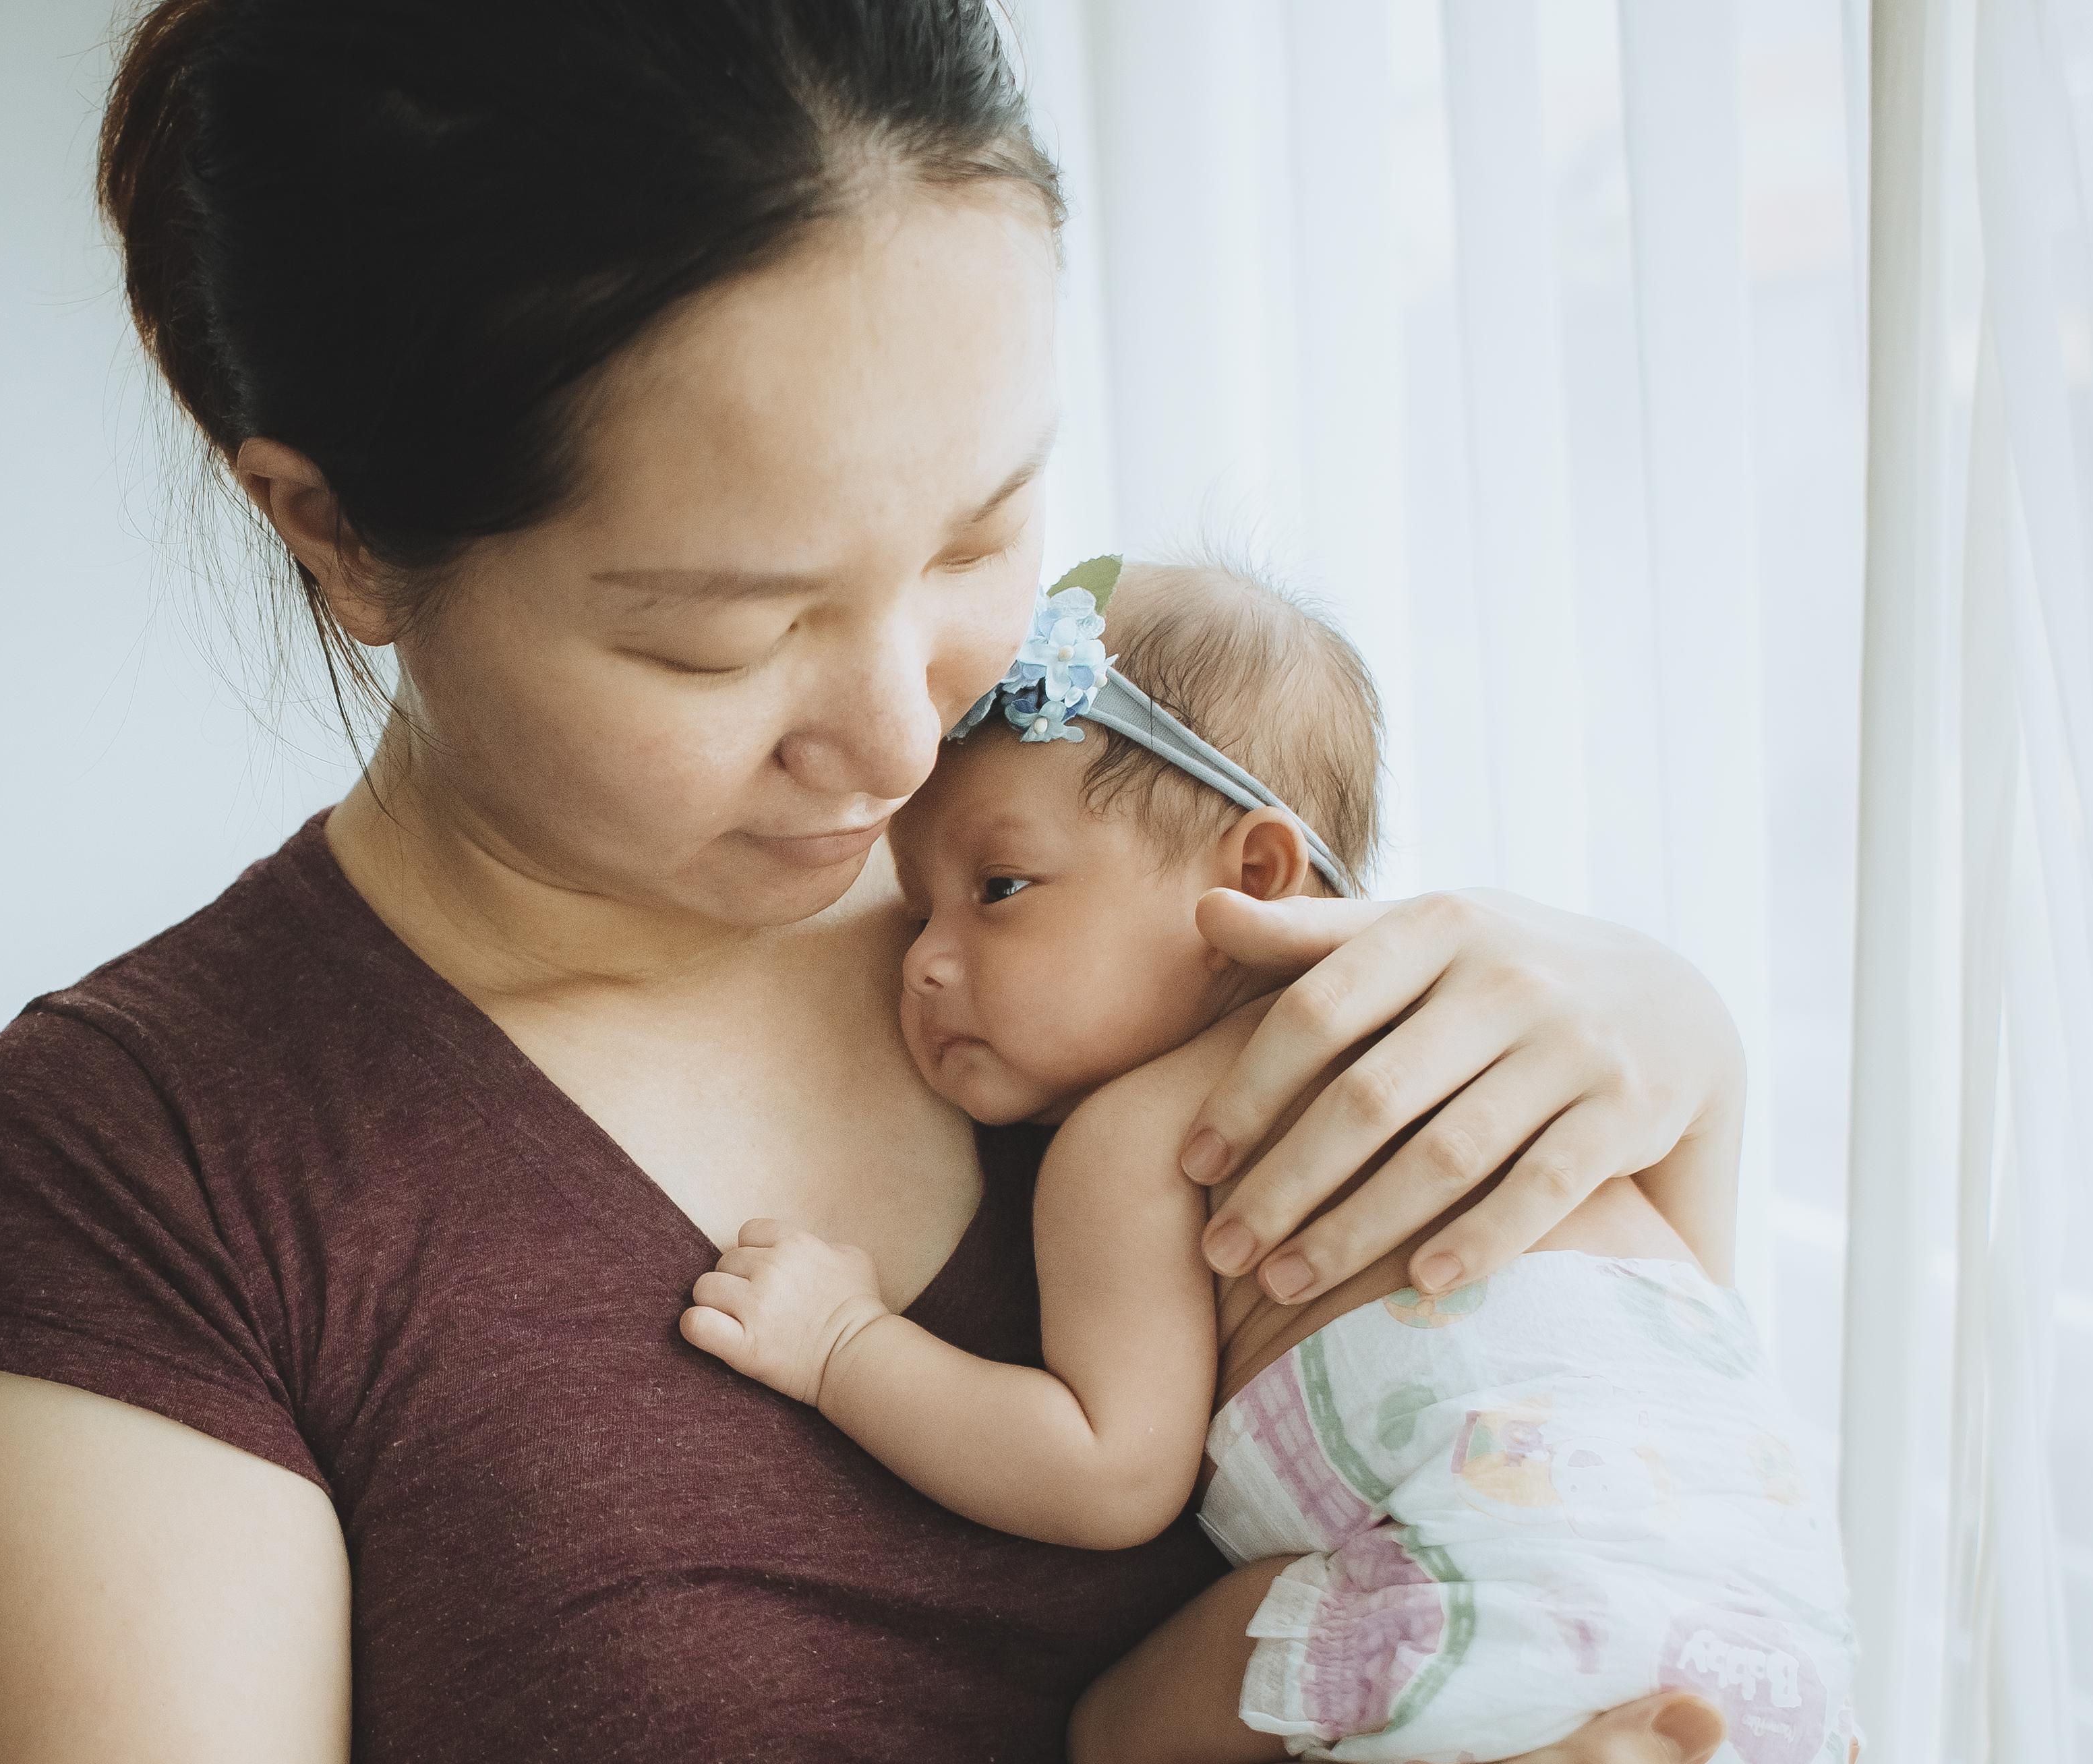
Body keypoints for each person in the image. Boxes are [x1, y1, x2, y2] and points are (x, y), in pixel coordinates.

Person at [0, 3, 1752, 1757]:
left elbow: (1587, 1494)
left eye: (980, 534)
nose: (904, 749)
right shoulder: (135, 1178)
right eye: (719, 640)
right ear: (333, 535)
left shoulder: (1142, 909)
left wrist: (1677, 1057)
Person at [684, 560, 1850, 1763]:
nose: (923, 960)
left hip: (1484, 1598)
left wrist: (840, 1346)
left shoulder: (1144, 1134)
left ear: (1253, 878)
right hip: (1768, 1615)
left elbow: (1107, 1472)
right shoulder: (1488, 1022)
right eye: (916, 908)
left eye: (998, 889)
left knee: (1115, 1733)